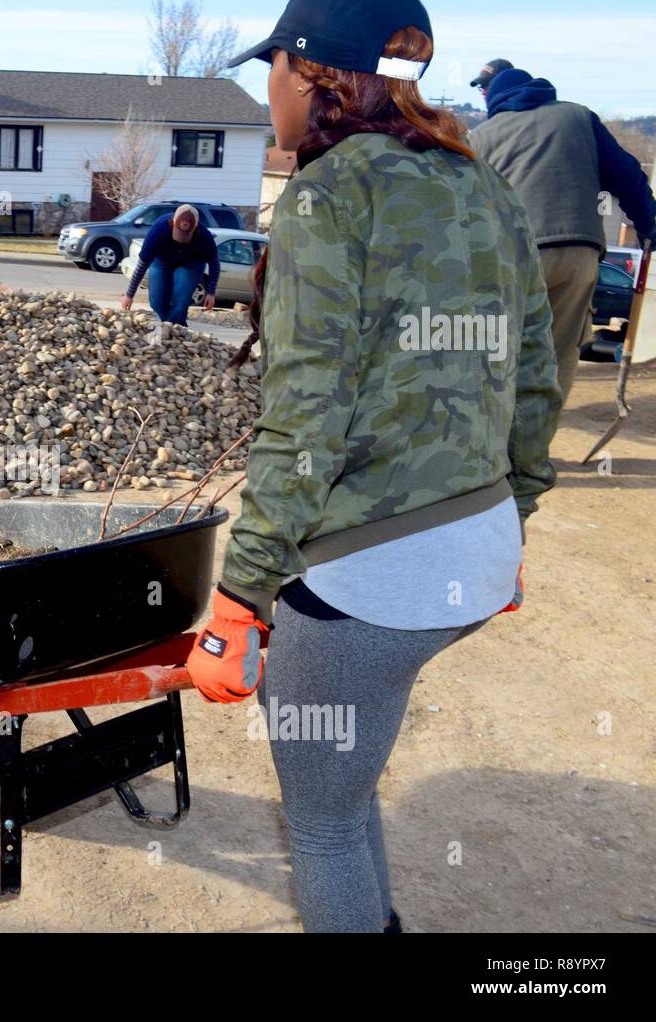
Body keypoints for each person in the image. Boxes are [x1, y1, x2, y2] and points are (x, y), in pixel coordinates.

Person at [188, 0, 562, 933]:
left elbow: (305, 416)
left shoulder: (327, 192)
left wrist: (241, 596)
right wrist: (511, 518)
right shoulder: (480, 183)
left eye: (271, 65)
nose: (265, 87)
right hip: (470, 553)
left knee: (319, 824)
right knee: (346, 799)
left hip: (370, 575)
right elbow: (536, 376)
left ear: (315, 75)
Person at [469, 66, 656, 401]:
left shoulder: (482, 136)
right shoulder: (579, 118)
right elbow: (629, 176)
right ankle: (535, 448)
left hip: (513, 256)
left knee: (499, 352)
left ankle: (495, 442)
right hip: (579, 252)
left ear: (495, 98)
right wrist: (648, 226)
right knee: (558, 353)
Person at [119, 205, 220, 324]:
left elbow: (214, 264)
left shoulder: (204, 237)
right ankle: (174, 327)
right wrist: (129, 295)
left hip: (191, 264)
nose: (181, 241)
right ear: (172, 222)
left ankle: (174, 330)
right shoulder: (158, 230)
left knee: (180, 305)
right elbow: (142, 265)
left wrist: (211, 292)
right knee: (157, 303)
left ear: (196, 227)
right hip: (161, 261)